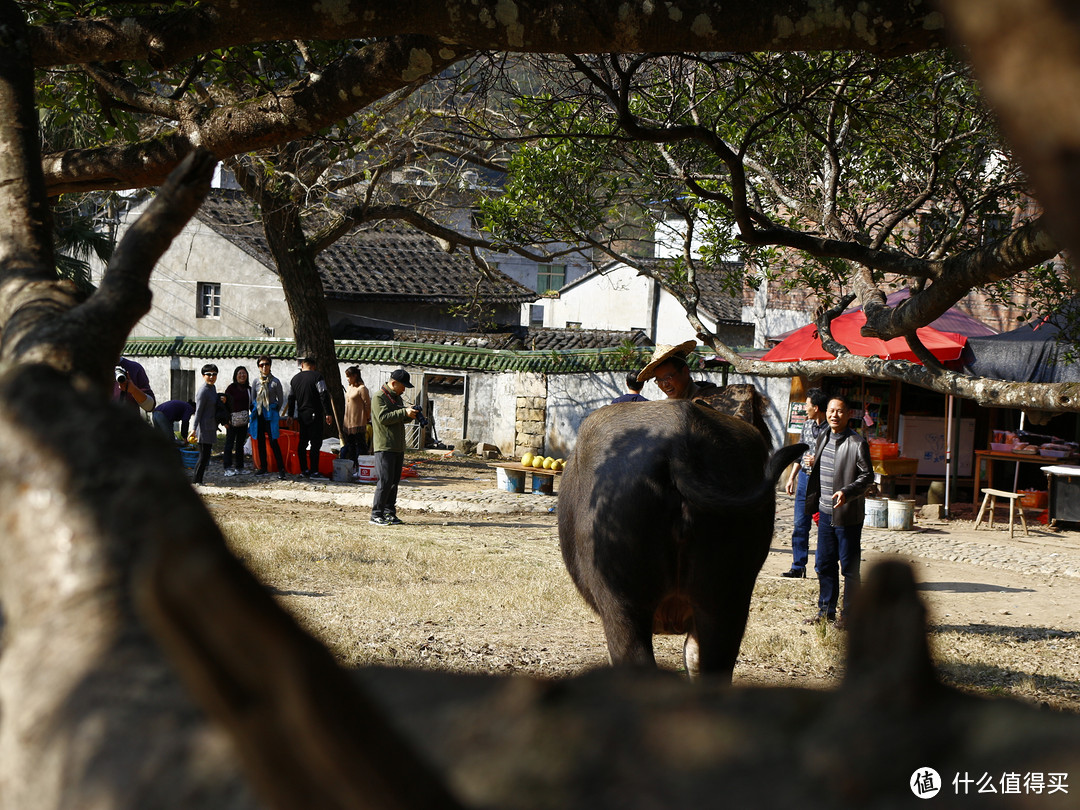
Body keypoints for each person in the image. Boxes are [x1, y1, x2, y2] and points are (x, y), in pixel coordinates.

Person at [803, 394, 873, 627]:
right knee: (824, 564)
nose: (834, 415)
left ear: (848, 414)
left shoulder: (857, 442)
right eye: (832, 411)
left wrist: (847, 492)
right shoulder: (823, 434)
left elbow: (867, 476)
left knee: (850, 569)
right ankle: (826, 612)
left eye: (840, 411)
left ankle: (851, 617)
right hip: (824, 512)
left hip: (847, 515)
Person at [781, 388, 830, 578]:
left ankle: (821, 567)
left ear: (816, 407)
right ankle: (798, 565)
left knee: (824, 526)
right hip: (804, 480)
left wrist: (817, 460)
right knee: (800, 524)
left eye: (807, 405)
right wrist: (792, 477)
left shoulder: (831, 429)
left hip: (822, 481)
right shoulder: (807, 425)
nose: (805, 409)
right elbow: (801, 453)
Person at [370, 368, 421, 525]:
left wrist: (410, 414)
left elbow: (398, 418)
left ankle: (389, 512)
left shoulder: (396, 398)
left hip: (398, 446)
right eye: (403, 386)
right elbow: (383, 418)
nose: (404, 389)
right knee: (385, 482)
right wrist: (403, 413)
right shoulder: (379, 397)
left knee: (393, 482)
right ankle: (376, 514)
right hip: (384, 446)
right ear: (394, 383)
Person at [287, 356, 334, 479]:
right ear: (313, 367)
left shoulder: (294, 379)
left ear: (302, 365)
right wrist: (328, 413)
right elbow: (323, 394)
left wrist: (290, 415)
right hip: (315, 414)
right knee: (315, 443)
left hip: (302, 415)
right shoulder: (317, 377)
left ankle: (304, 469)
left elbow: (291, 398)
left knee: (302, 443)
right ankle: (314, 470)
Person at [636, 341, 719, 401]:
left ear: (685, 371)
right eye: (659, 380)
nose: (665, 385)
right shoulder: (666, 408)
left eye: (667, 377)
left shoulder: (709, 400)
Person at [250, 354, 287, 480]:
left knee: (273, 441)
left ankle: (281, 469)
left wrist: (274, 408)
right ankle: (263, 467)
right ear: (258, 367)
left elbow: (280, 399)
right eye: (261, 365)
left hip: (270, 414)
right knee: (260, 441)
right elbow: (253, 397)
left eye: (266, 364)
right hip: (259, 414)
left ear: (270, 366)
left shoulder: (275, 382)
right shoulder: (256, 381)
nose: (264, 367)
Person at [190, 364, 220, 486]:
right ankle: (196, 481)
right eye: (208, 374)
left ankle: (199, 480)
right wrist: (193, 429)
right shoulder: (203, 391)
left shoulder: (213, 388)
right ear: (203, 376)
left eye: (214, 374)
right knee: (203, 457)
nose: (211, 377)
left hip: (211, 426)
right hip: (203, 427)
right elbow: (198, 411)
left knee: (206, 456)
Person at [223, 366, 253, 476]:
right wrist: (225, 421)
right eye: (239, 373)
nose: (242, 375)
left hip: (244, 421)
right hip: (232, 421)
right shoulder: (231, 388)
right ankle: (227, 467)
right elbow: (224, 405)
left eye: (244, 373)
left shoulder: (249, 389)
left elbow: (251, 405)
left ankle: (239, 467)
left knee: (240, 445)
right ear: (236, 376)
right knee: (229, 444)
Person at [342, 366, 372, 462]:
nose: (347, 379)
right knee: (350, 445)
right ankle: (353, 464)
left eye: (349, 377)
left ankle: (362, 464)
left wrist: (367, 417)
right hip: (348, 421)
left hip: (358, 421)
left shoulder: (362, 388)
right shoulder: (349, 387)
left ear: (355, 376)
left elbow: (367, 404)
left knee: (361, 445)